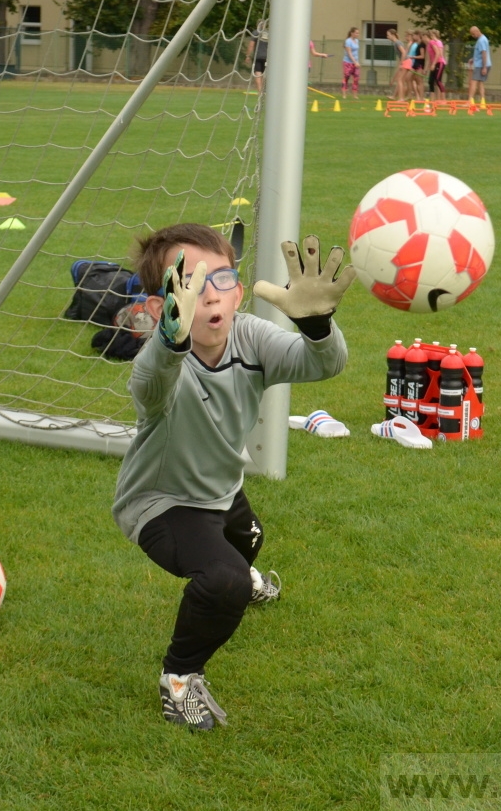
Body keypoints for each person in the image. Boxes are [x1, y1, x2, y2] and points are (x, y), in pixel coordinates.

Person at [113, 225, 355, 730]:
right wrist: (168, 343)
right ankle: (179, 679)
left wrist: (316, 326)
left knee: (250, 541)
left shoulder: (249, 334)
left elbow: (324, 365)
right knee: (225, 583)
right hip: (162, 501)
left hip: (223, 489)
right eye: (191, 284)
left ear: (239, 290)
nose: (211, 295)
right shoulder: (161, 362)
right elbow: (149, 387)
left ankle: (242, 572)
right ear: (161, 308)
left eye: (221, 278)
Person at [467, 25, 491, 105]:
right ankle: (483, 101)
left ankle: (470, 101)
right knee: (480, 83)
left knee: (473, 82)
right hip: (484, 64)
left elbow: (484, 53)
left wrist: (484, 67)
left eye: (473, 34)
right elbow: (480, 53)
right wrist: (473, 59)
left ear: (477, 31)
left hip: (481, 65)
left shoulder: (481, 40)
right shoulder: (483, 39)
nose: (473, 36)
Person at [244, 20, 268, 94]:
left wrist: (247, 56)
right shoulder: (269, 33)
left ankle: (260, 92)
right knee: (265, 74)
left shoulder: (256, 32)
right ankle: (264, 91)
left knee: (258, 74)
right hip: (267, 57)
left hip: (258, 56)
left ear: (257, 25)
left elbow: (251, 44)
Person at [386, 28, 410, 101]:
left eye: (388, 35)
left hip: (406, 61)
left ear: (393, 35)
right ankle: (397, 96)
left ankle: (401, 98)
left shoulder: (397, 43)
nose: (387, 37)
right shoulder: (396, 42)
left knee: (400, 80)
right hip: (406, 61)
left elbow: (403, 52)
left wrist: (401, 63)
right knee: (400, 79)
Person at [425, 29, 447, 100]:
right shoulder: (429, 45)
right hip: (435, 63)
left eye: (424, 37)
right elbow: (429, 58)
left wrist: (433, 64)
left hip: (439, 62)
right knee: (431, 81)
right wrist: (427, 68)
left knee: (438, 80)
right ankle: (432, 99)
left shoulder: (433, 42)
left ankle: (443, 99)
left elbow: (438, 53)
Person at [341, 27, 360, 100]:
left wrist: (357, 62)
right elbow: (349, 53)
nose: (357, 34)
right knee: (346, 78)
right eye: (356, 33)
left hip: (356, 62)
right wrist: (354, 62)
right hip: (348, 62)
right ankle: (344, 94)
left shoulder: (357, 41)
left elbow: (356, 52)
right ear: (352, 33)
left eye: (358, 33)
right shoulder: (348, 41)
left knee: (356, 78)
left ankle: (355, 95)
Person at [407, 31, 426, 100]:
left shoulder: (422, 45)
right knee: (408, 78)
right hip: (415, 64)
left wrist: (413, 57)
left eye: (414, 36)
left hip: (419, 64)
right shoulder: (417, 44)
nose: (413, 37)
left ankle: (421, 98)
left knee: (419, 81)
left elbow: (422, 56)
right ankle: (410, 96)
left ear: (418, 35)